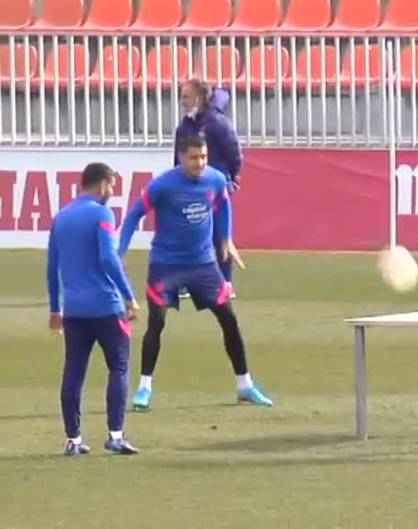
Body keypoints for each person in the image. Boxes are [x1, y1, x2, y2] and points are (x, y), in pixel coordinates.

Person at [118, 136, 273, 411]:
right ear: (181, 157)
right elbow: (133, 215)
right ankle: (144, 388)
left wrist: (226, 238)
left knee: (229, 320)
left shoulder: (214, 179)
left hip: (204, 264)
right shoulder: (163, 185)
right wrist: (121, 252)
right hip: (166, 265)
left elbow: (224, 204)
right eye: (193, 158)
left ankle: (245, 385)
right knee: (157, 324)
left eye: (203, 157)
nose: (200, 163)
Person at [47, 162, 141, 456]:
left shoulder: (61, 217)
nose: (111, 192)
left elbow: (52, 268)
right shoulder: (102, 213)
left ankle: (73, 439)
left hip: (74, 311)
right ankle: (115, 435)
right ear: (102, 185)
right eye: (111, 186)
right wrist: (129, 296)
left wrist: (54, 308)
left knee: (74, 370)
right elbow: (108, 259)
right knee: (119, 367)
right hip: (107, 307)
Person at [175, 79, 243, 296]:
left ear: (199, 97)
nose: (182, 101)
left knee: (219, 234)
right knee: (190, 233)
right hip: (190, 187)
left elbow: (235, 154)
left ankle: (225, 283)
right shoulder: (185, 125)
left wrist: (230, 177)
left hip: (214, 188)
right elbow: (178, 157)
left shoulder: (216, 123)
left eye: (186, 96)